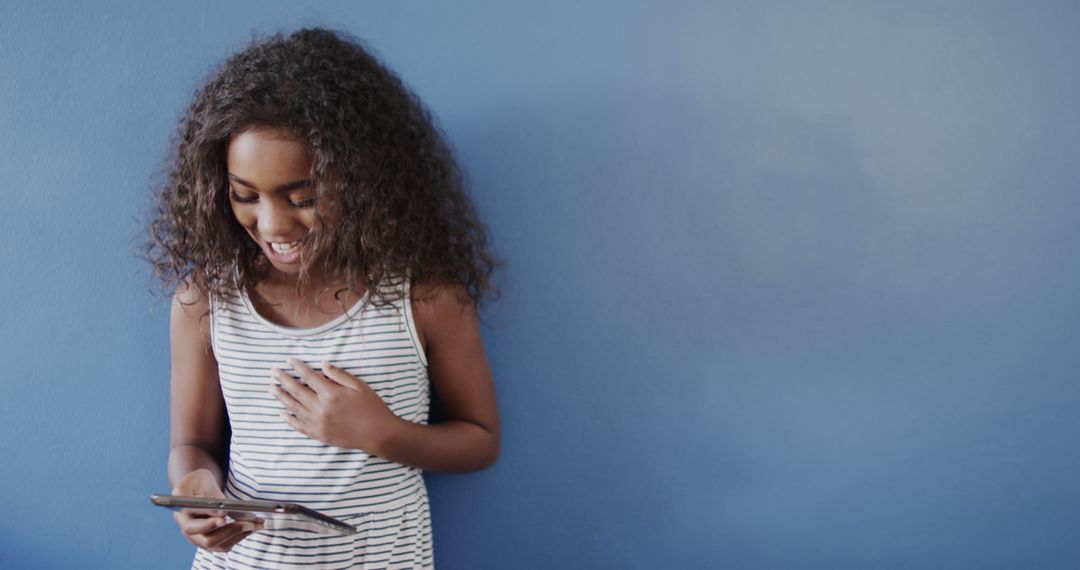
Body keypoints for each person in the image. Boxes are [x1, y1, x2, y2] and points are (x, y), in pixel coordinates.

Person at [144, 27, 500, 569]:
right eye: (245, 195)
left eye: (303, 196)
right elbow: (191, 444)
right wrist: (195, 487)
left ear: (363, 181)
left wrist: (382, 434)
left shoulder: (425, 297)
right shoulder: (204, 301)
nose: (271, 223)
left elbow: (481, 440)